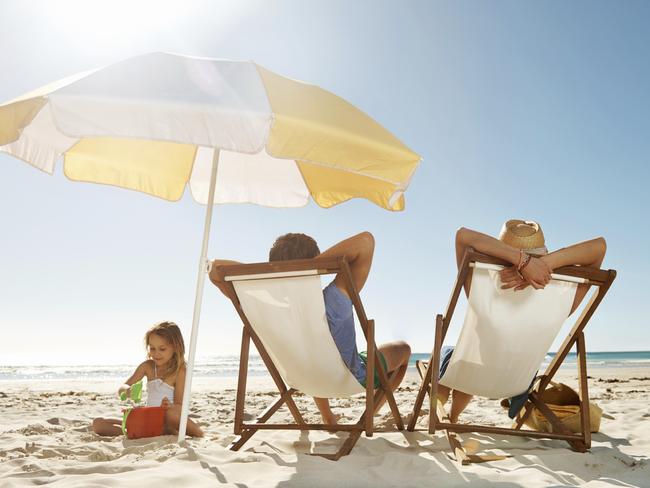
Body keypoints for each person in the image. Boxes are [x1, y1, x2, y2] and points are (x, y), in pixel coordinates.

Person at [209, 231, 411, 425]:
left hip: (301, 378)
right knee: (403, 349)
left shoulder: (264, 306)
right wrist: (314, 267)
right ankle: (368, 417)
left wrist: (273, 275)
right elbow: (365, 241)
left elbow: (215, 269)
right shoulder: (335, 298)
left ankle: (327, 417)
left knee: (310, 352)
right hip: (351, 378)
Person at [437, 219, 607, 423]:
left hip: (471, 377)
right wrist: (544, 264)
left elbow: (463, 236)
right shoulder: (562, 299)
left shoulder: (482, 286)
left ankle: (450, 415)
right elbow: (600, 247)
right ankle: (453, 414)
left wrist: (523, 262)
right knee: (473, 360)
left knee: (454, 355)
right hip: (516, 384)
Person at [92, 321, 204, 437]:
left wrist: (169, 406)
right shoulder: (147, 367)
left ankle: (197, 433)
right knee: (98, 423)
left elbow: (180, 405)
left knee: (172, 415)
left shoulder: (179, 371)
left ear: (176, 347)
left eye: (162, 349)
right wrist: (127, 391)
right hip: (148, 421)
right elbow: (122, 388)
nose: (156, 354)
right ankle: (143, 432)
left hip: (168, 420)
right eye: (152, 348)